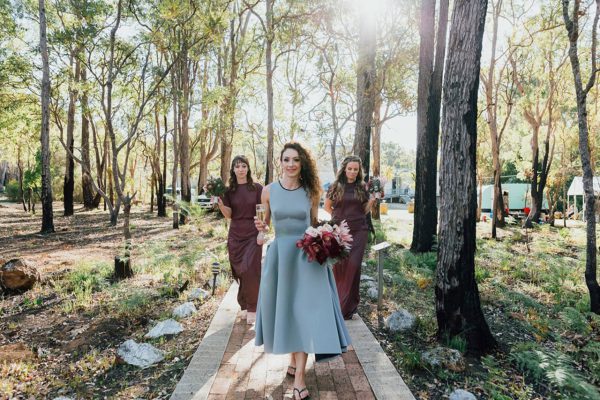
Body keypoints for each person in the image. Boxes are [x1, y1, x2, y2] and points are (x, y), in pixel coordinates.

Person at [254, 142, 351, 400]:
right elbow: (263, 227)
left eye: (296, 160)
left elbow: (313, 223)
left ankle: (299, 379)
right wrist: (260, 230)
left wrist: (329, 237)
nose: (291, 164)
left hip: (307, 257)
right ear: (280, 162)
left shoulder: (311, 191)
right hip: (280, 258)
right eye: (286, 159)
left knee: (305, 312)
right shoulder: (268, 191)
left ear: (302, 163)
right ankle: (293, 360)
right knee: (287, 309)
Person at [324, 156, 375, 320]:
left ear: (359, 171)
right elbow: (327, 206)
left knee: (354, 267)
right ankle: (337, 304)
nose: (353, 172)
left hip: (359, 230)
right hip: (340, 231)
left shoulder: (362, 187)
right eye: (350, 168)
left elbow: (364, 209)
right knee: (340, 267)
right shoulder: (336, 186)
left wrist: (372, 201)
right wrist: (337, 220)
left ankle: (347, 307)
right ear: (344, 169)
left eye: (356, 169)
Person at [217, 155, 263, 324]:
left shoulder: (257, 188)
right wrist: (221, 205)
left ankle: (253, 307)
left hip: (252, 234)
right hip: (235, 235)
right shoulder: (229, 191)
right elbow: (229, 215)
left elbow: (262, 211)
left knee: (251, 270)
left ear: (248, 168)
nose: (241, 169)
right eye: (237, 166)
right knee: (240, 271)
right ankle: (244, 304)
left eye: (244, 165)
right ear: (233, 170)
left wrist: (262, 231)